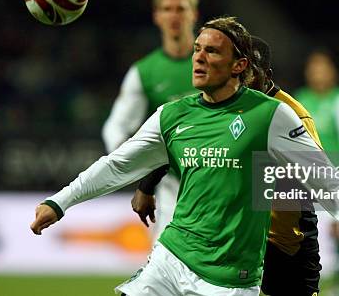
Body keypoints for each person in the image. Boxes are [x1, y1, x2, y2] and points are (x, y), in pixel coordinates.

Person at [31, 17, 339, 296]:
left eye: (212, 51)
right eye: (197, 50)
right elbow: (118, 164)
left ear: (243, 67)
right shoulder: (174, 114)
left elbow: (323, 180)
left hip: (254, 258)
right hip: (174, 254)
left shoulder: (275, 116)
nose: (199, 59)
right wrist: (60, 202)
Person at [131, 35, 327, 295]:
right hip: (234, 235)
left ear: (266, 75)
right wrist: (147, 187)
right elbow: (178, 140)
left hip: (285, 241)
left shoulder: (291, 115)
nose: (245, 80)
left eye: (252, 74)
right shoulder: (221, 104)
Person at [102, 0, 199, 241]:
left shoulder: (215, 62)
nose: (174, 15)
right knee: (166, 268)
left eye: (181, 8)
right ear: (157, 16)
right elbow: (116, 127)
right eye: (167, 9)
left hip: (218, 180)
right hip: (170, 186)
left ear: (194, 14)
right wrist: (138, 166)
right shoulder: (144, 72)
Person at [293, 50, 339, 296]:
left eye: (323, 68)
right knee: (303, 237)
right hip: (303, 183)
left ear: (332, 72)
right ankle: (307, 283)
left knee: (335, 234)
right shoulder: (299, 100)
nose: (318, 73)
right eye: (314, 68)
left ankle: (338, 284)